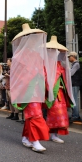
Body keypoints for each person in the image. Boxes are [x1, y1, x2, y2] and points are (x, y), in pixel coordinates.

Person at [10, 24, 50, 153]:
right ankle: (35, 140)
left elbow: (42, 71)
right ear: (25, 39)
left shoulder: (37, 55)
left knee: (32, 114)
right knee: (34, 114)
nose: (34, 41)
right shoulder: (18, 56)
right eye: (32, 38)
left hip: (37, 88)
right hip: (27, 88)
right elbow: (16, 75)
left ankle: (26, 137)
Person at [45, 36, 75, 144]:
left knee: (60, 114)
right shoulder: (46, 64)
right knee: (53, 113)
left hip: (60, 93)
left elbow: (64, 76)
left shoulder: (59, 65)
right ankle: (47, 133)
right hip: (51, 92)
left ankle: (54, 134)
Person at [68, 51, 82, 122]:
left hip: (75, 84)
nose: (68, 58)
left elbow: (71, 73)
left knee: (74, 100)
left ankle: (75, 115)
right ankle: (75, 115)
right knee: (74, 99)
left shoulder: (76, 64)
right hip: (75, 84)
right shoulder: (74, 64)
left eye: (69, 57)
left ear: (73, 57)